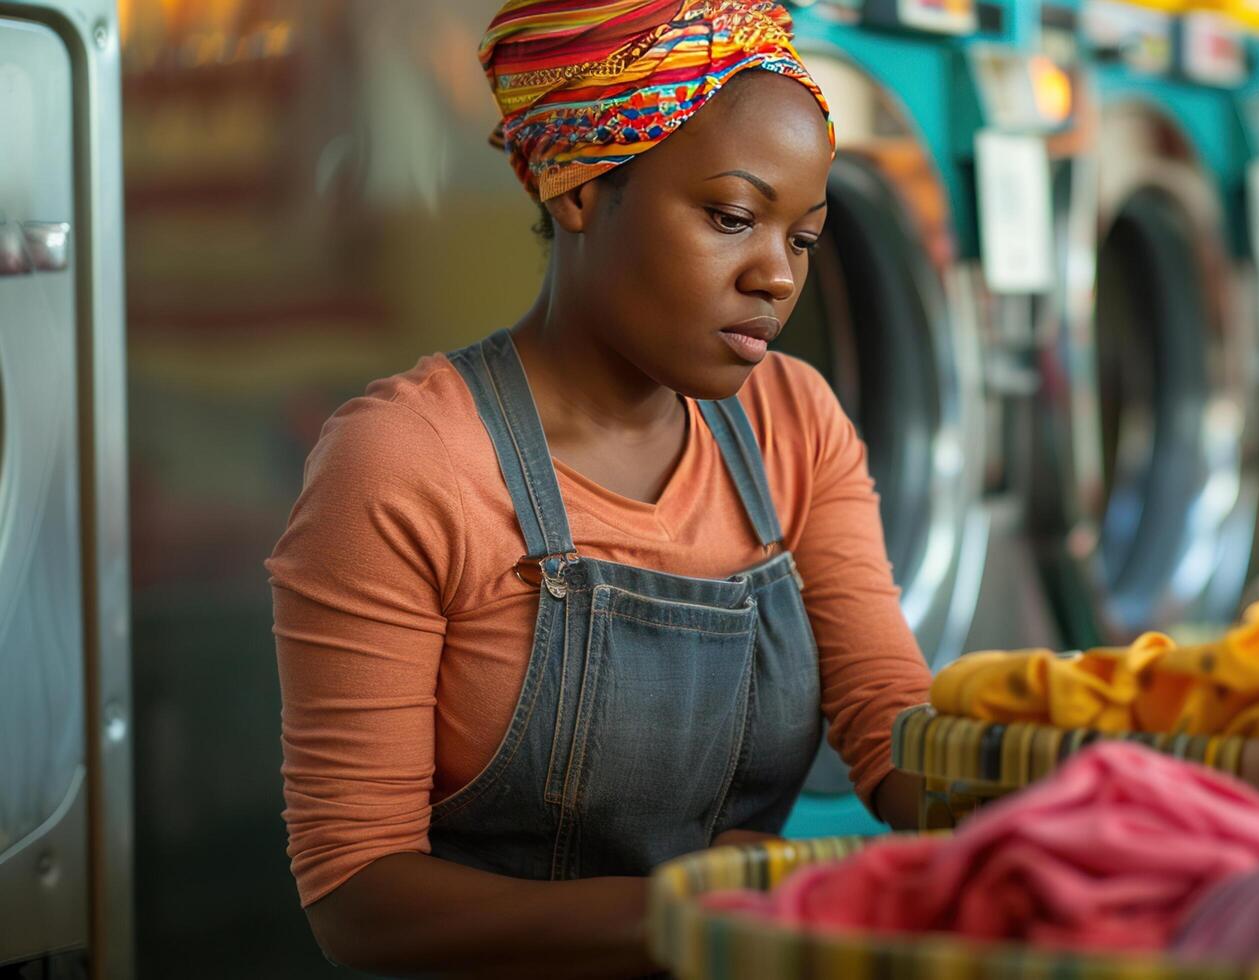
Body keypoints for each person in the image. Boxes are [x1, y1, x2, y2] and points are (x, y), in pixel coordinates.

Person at [265, 1, 930, 975]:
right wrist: (692, 912)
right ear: (578, 187)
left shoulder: (796, 422)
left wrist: (1075, 801)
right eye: (735, 217)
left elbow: (887, 718)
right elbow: (358, 893)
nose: (776, 278)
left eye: (803, 239)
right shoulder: (408, 460)